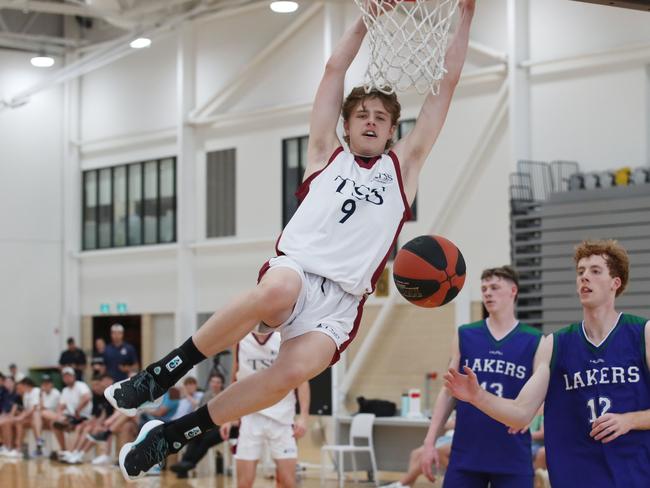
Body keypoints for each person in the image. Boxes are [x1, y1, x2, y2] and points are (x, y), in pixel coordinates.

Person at [105, 0, 476, 480]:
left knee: (291, 373)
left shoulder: (403, 169)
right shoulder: (325, 152)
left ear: (390, 133)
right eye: (361, 114)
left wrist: (465, 16)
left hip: (341, 301)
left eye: (380, 118)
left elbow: (445, 86)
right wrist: (368, 18)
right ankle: (161, 373)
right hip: (297, 267)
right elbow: (334, 68)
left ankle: (170, 436)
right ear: (346, 125)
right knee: (276, 292)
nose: (370, 121)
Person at [444, 240, 650, 488]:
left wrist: (630, 420)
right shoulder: (554, 344)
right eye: (580, 272)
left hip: (634, 474)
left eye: (595, 271)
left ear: (615, 283)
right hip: (576, 476)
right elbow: (520, 415)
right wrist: (477, 396)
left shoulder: (642, 333)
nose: (584, 277)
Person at [419, 266, 543, 487]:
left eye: (495, 287)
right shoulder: (465, 334)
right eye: (484, 288)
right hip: (467, 453)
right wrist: (430, 442)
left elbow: (545, 392)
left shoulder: (535, 340)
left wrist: (531, 413)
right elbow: (448, 392)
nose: (487, 293)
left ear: (513, 290)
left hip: (512, 454)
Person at [220, 332, 310, 488]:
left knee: (287, 482)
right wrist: (228, 416)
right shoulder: (240, 341)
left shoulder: (286, 338)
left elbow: (302, 381)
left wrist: (303, 416)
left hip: (282, 418)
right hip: (250, 416)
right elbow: (235, 379)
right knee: (244, 483)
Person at [169, 373, 227, 479]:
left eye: (218, 382)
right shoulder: (206, 395)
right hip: (208, 426)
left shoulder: (225, 395)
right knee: (194, 436)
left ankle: (188, 464)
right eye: (213, 382)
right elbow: (202, 413)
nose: (215, 384)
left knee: (206, 440)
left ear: (222, 384)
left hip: (222, 426)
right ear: (210, 383)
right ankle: (184, 465)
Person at [385, 414, 455, 488]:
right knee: (415, 453)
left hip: (455, 441)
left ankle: (401, 483)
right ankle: (407, 485)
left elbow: (453, 425)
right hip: (445, 438)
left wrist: (448, 424)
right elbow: (448, 425)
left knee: (433, 453)